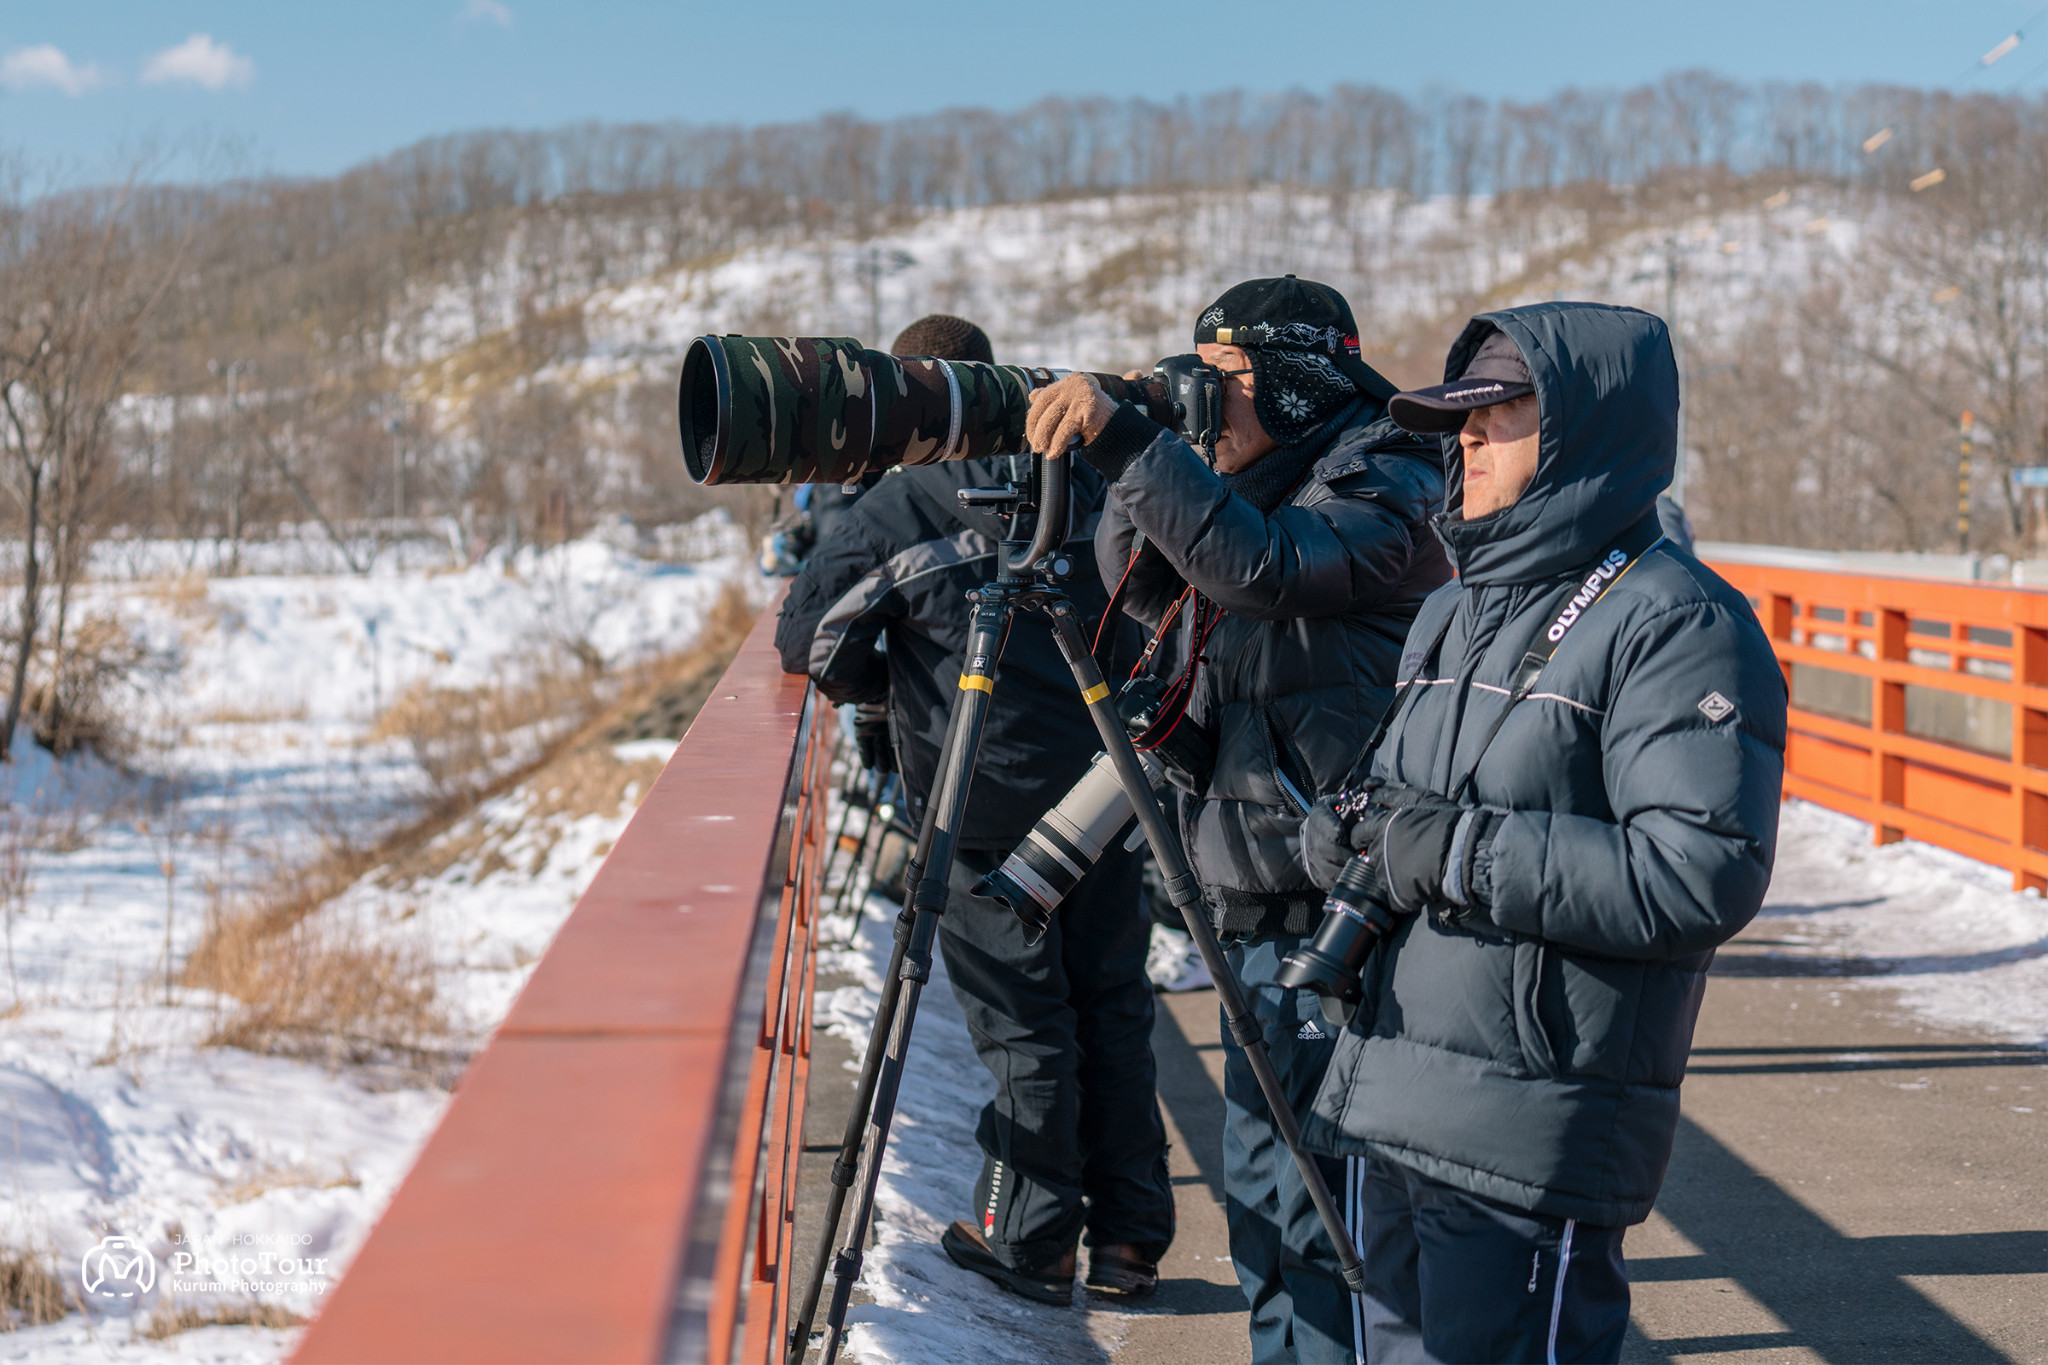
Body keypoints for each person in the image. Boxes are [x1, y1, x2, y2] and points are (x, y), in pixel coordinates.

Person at [1296, 302, 1787, 1364]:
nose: (1462, 438)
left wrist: (1452, 852)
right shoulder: (1452, 606)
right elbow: (1397, 803)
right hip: (1389, 1091)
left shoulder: (1676, 619)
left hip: (1527, 1123)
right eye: (1455, 418)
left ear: (1581, 429)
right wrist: (1341, 841)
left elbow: (1699, 873)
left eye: (1496, 414)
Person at [1025, 277, 1450, 1363]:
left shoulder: (1385, 470)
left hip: (1341, 895)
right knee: (1262, 1197)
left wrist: (1135, 445)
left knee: (1326, 1206)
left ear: (1298, 381)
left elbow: (1269, 571)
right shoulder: (1243, 482)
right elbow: (1138, 578)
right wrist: (1147, 441)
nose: (1200, 407)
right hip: (1249, 887)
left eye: (1221, 385)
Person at [775, 313, 1174, 1304]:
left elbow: (809, 644)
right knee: (1111, 1008)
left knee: (1021, 1021)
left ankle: (1028, 1239)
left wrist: (892, 678)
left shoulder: (902, 505)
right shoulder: (1084, 475)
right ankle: (1127, 1241)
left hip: (976, 803)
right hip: (1104, 797)